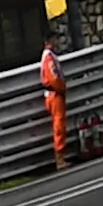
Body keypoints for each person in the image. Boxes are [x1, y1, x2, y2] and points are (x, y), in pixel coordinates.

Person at [42, 32, 71, 167]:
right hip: (55, 94)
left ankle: (61, 155)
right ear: (50, 40)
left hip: (54, 94)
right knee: (59, 125)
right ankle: (59, 157)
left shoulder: (49, 56)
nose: (57, 41)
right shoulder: (49, 57)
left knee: (60, 124)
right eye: (55, 39)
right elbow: (53, 77)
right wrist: (62, 88)